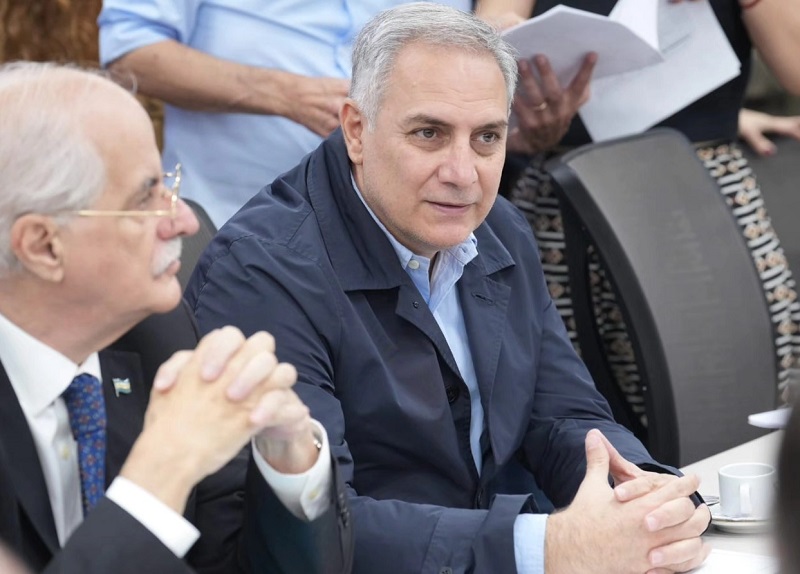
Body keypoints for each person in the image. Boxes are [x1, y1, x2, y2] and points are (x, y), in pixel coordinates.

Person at [186, 4, 710, 573]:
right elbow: (307, 528)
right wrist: (544, 548)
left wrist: (641, 497)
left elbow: (562, 413)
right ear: (356, 130)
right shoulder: (263, 272)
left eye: (487, 137)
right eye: (429, 134)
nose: (462, 173)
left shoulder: (499, 226)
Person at [0, 62, 352, 574]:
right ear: (43, 246)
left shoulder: (156, 333)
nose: (185, 220)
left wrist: (290, 461)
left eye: (170, 185)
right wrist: (164, 468)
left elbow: (229, 563)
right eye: (145, 198)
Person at [505, 0, 800, 438]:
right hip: (564, 201)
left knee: (736, 397)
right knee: (571, 411)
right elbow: (493, 26)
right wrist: (513, 83)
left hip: (699, 199)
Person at [96, 0, 593, 227]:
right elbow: (130, 50)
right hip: (233, 221)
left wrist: (487, 95)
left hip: (426, 237)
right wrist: (283, 93)